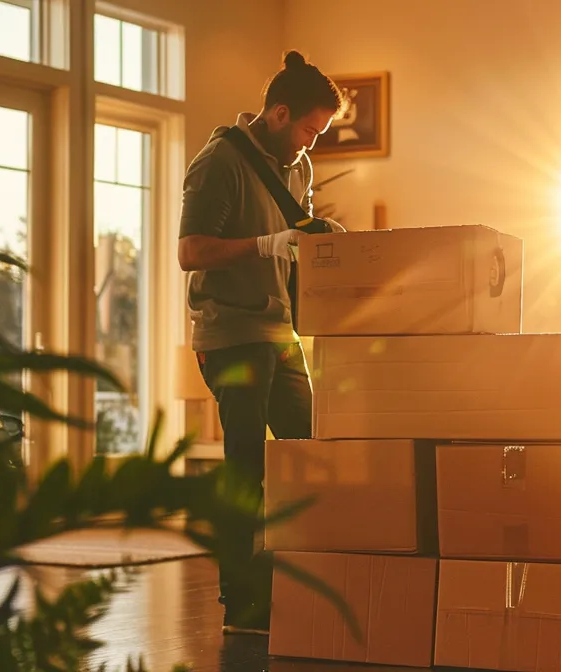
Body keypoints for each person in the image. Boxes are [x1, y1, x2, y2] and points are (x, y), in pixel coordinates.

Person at [176, 50, 345, 635]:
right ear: (278, 113)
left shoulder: (298, 168)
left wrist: (321, 248)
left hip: (279, 333)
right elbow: (190, 252)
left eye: (318, 134)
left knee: (311, 453)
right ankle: (241, 605)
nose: (311, 145)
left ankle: (296, 581)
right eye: (308, 129)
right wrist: (267, 245)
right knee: (244, 467)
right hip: (229, 334)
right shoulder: (218, 161)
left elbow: (294, 248)